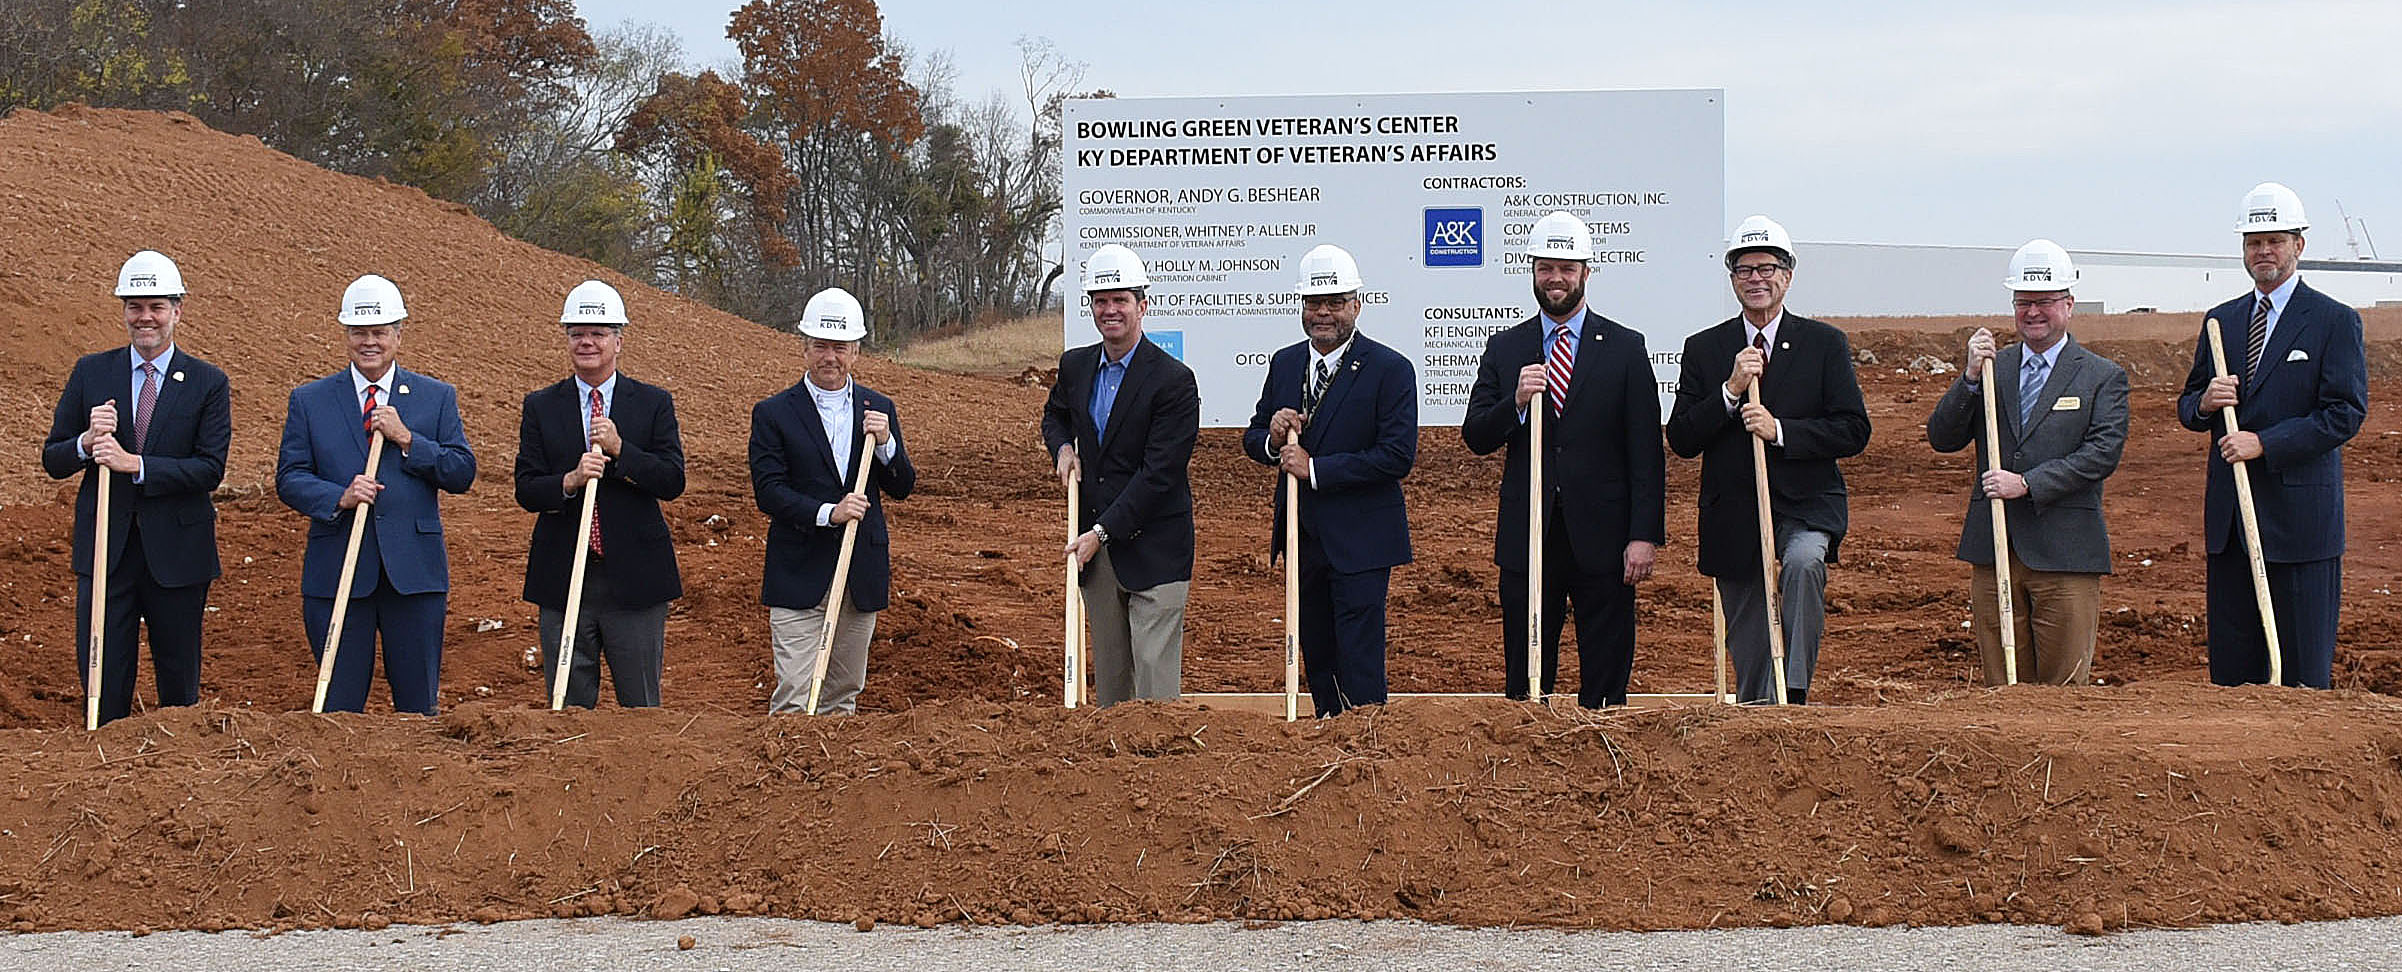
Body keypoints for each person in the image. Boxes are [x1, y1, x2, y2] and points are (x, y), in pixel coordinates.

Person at [1462, 212, 1664, 708]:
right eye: (1546, 267)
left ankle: (1605, 742)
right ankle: (1528, 738)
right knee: (1528, 662)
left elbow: (1645, 452)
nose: (1556, 278)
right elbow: (1476, 435)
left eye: (1567, 268)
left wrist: (1643, 535)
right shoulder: (1506, 347)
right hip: (1529, 531)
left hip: (1605, 533)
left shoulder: (1624, 348)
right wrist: (1513, 403)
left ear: (1586, 273)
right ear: (1532, 271)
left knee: (1606, 659)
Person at [1666, 215, 1869, 705]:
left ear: (1788, 274)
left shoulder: (1824, 345)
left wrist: (1781, 431)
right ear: (1732, 278)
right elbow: (1682, 438)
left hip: (1805, 505)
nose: (1756, 278)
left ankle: (1792, 692)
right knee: (1751, 628)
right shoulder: (1705, 348)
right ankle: (1760, 710)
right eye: (1744, 270)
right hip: (1734, 509)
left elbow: (1853, 429)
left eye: (1767, 268)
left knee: (1802, 565)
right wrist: (1730, 392)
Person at [2175, 182, 2366, 689]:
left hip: (2301, 529)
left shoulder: (2333, 322)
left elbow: (2345, 413)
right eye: (2253, 242)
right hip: (2233, 526)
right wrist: (2205, 402)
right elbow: (2188, 407)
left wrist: (2267, 442)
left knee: (2302, 675)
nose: (2263, 252)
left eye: (2275, 241)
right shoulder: (2222, 321)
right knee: (2234, 678)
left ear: (2298, 245)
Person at [1926, 240, 2129, 686]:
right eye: (2023, 303)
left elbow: (2101, 454)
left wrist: (2029, 483)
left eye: (2044, 302)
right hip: (1996, 546)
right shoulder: (1992, 369)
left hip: (2065, 553)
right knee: (2004, 688)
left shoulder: (2102, 377)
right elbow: (1942, 437)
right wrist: (1970, 379)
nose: (2033, 312)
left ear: (2069, 305)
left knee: (2062, 693)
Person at [40, 250, 231, 726]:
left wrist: (136, 464)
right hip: (108, 550)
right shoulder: (91, 372)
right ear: (124, 310)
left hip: (178, 553)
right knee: (103, 680)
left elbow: (210, 468)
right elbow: (53, 457)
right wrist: (86, 442)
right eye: (135, 306)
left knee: (178, 684)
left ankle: (178, 775)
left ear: (177, 311)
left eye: (157, 306)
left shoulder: (208, 382)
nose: (145, 317)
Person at [275, 274, 476, 714]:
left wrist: (409, 440)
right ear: (345, 334)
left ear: (398, 335)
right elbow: (289, 476)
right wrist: (338, 497)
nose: (369, 342)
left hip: (415, 577)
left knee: (418, 711)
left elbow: (462, 472)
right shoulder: (311, 400)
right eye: (359, 333)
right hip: (338, 574)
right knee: (338, 711)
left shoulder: (434, 397)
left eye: (379, 332)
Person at [1240, 244, 1417, 717]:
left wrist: (1315, 470)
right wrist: (1274, 439)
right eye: (1314, 302)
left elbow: (1397, 455)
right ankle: (1324, 738)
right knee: (1317, 651)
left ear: (1356, 305)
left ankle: (1365, 748)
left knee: (1358, 657)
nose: (1323, 312)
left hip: (1361, 540)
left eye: (1335, 302)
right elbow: (1253, 437)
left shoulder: (1390, 370)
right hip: (1303, 537)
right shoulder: (1284, 363)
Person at [514, 280, 686, 708]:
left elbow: (671, 479)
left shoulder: (652, 403)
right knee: (567, 706)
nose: (586, 341)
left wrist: (621, 451)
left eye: (598, 333)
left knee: (641, 706)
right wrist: (569, 480)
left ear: (618, 340)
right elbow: (526, 487)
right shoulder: (541, 406)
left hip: (635, 579)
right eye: (577, 333)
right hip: (564, 575)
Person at [1042, 244, 1201, 706]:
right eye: (1101, 300)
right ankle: (1117, 778)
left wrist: (1099, 532)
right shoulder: (1076, 366)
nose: (1110, 310)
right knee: (1112, 688)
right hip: (1101, 555)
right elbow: (1054, 417)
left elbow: (1160, 474)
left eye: (1121, 300)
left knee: (1153, 691)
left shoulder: (1173, 380)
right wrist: (1063, 447)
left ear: (1142, 305)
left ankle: (1160, 775)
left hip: (1155, 548)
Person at [751, 287, 915, 715]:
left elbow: (903, 486)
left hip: (859, 573)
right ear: (804, 347)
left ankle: (831, 780)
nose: (830, 357)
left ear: (856, 351)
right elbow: (768, 491)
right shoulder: (774, 413)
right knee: (794, 695)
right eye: (820, 346)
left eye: (839, 347)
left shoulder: (878, 409)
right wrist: (829, 513)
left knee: (842, 695)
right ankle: (785, 778)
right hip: (798, 572)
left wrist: (886, 445)